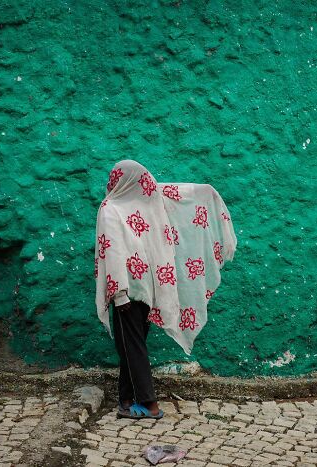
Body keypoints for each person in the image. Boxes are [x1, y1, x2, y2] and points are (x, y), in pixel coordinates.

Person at [94, 160, 236, 419]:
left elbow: (112, 251)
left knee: (132, 346)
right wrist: (206, 192)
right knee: (131, 346)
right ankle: (125, 400)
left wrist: (119, 293)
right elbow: (179, 192)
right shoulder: (150, 204)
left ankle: (149, 405)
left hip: (127, 292)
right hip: (149, 289)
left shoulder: (110, 208)